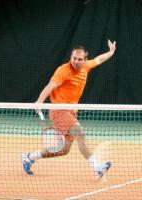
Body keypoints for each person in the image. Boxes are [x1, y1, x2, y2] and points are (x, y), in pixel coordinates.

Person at [21, 39, 116, 179]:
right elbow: (50, 86)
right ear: (70, 57)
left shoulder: (86, 66)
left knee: (63, 150)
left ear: (84, 60)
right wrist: (39, 101)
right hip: (59, 111)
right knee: (80, 134)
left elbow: (98, 59)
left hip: (70, 112)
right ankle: (97, 168)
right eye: (74, 58)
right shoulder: (63, 70)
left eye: (79, 59)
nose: (76, 61)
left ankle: (29, 157)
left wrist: (111, 52)